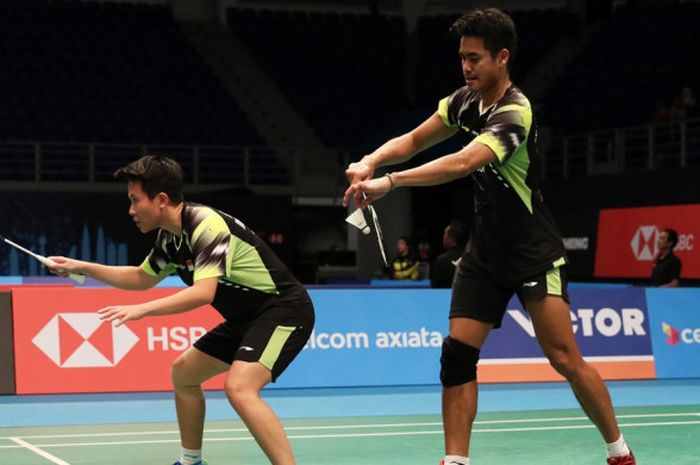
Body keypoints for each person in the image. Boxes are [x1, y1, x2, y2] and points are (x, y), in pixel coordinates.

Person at [343, 8, 636, 465]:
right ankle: (456, 460)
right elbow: (415, 139)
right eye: (462, 57)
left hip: (534, 252)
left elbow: (462, 162)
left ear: (502, 57)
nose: (466, 67)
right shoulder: (464, 101)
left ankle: (619, 450)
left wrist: (390, 182)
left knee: (563, 358)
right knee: (457, 357)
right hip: (485, 255)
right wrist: (370, 160)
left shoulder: (515, 112)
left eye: (475, 58)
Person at [49, 155, 314, 465]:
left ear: (161, 199)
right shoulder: (170, 239)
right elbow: (141, 277)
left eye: (135, 201)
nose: (131, 210)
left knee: (240, 388)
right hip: (247, 317)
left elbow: (203, 293)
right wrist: (80, 267)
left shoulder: (206, 225)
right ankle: (191, 461)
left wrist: (142, 311)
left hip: (283, 309)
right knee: (184, 373)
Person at [431, 221, 467, 288]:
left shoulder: (441, 261)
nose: (443, 237)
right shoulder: (472, 258)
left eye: (445, 234)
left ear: (451, 238)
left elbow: (435, 288)